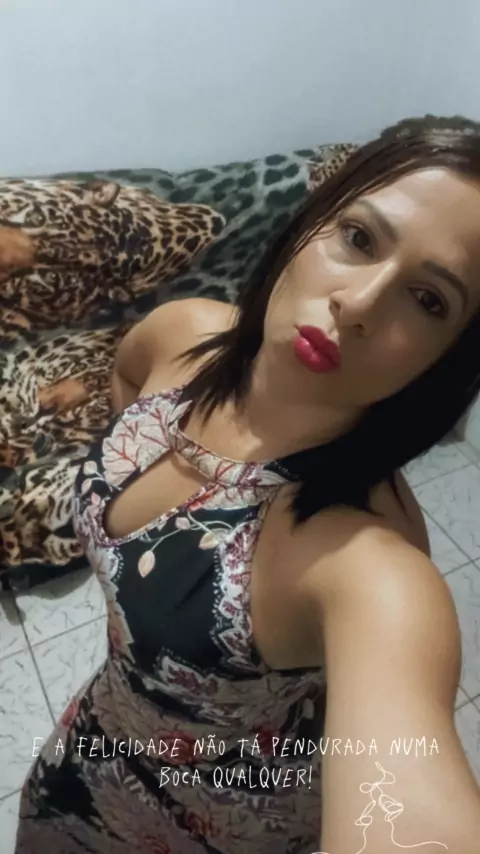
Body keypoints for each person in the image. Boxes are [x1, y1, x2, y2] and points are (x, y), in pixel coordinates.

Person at [15, 117, 480, 854]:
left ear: (449, 357)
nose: (360, 303)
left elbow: (410, 797)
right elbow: (127, 377)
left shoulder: (368, 566)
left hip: (230, 822)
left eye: (428, 301)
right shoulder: (184, 335)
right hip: (99, 744)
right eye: (359, 238)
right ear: (309, 225)